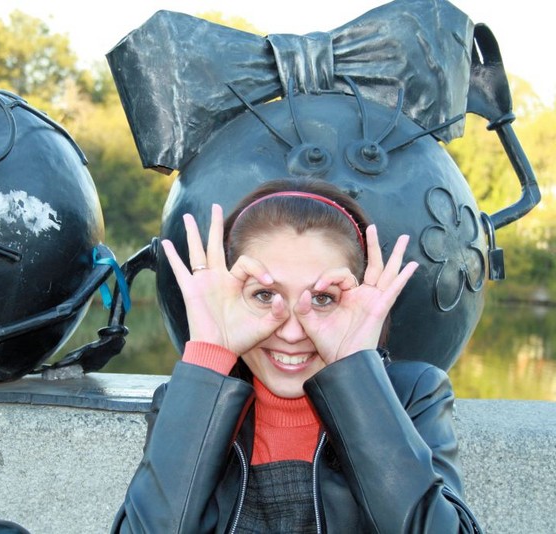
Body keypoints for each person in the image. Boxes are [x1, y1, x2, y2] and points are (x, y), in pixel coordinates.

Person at [111, 178, 482, 533]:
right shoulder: (190, 404)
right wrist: (210, 354)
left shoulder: (412, 395)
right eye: (264, 295)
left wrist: (355, 372)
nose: (292, 333)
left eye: (322, 299)